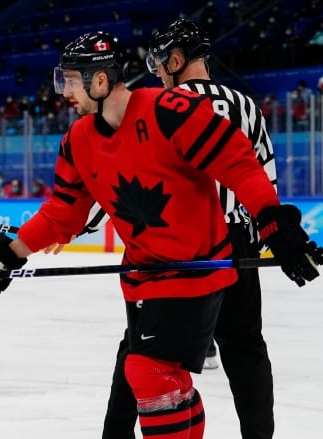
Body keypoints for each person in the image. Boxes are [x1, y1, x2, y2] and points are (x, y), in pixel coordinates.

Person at [0, 31, 323, 439]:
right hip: (142, 276)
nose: (63, 92)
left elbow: (238, 163)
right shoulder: (78, 140)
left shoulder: (170, 109)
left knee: (146, 369)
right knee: (154, 376)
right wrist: (10, 254)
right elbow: (63, 213)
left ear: (100, 81)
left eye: (71, 81)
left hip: (196, 268)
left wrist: (274, 222)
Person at [101, 18, 280, 439]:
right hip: (236, 241)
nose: (159, 71)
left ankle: (116, 434)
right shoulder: (245, 104)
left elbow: (130, 181)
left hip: (175, 244)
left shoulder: (157, 107)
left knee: (140, 347)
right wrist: (259, 236)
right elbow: (263, 175)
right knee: (246, 348)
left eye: (161, 62)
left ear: (177, 60)